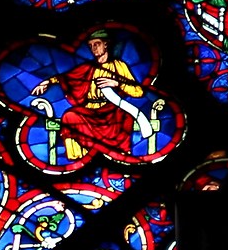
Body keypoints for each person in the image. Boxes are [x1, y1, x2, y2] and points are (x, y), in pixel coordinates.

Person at [29, 30, 156, 165]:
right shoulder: (87, 67)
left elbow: (138, 92)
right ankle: (80, 158)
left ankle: (120, 156)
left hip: (112, 110)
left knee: (125, 118)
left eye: (97, 44)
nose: (94, 48)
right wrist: (48, 82)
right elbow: (67, 78)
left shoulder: (119, 66)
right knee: (69, 116)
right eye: (90, 45)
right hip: (89, 110)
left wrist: (117, 83)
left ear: (106, 45)